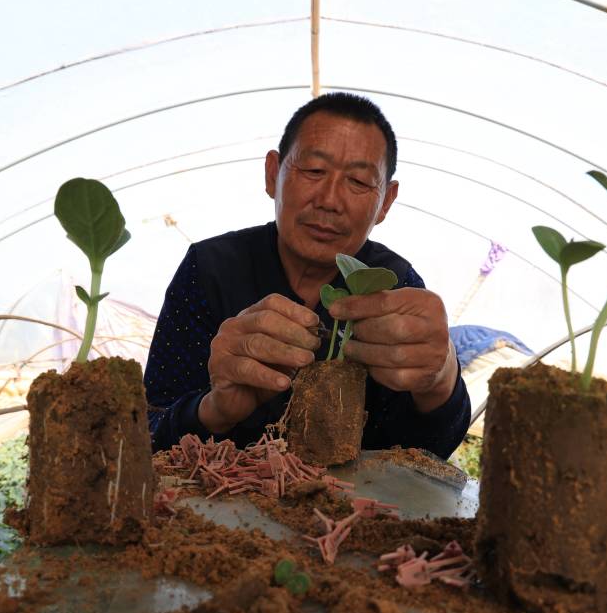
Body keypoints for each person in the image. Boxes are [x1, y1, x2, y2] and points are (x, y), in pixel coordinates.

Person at [144, 92, 470, 459]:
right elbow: (149, 428)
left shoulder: (393, 285)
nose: (330, 199)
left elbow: (429, 452)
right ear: (273, 174)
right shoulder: (210, 268)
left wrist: (440, 381)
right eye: (314, 171)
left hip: (354, 510)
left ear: (386, 202)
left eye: (359, 182)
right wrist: (215, 409)